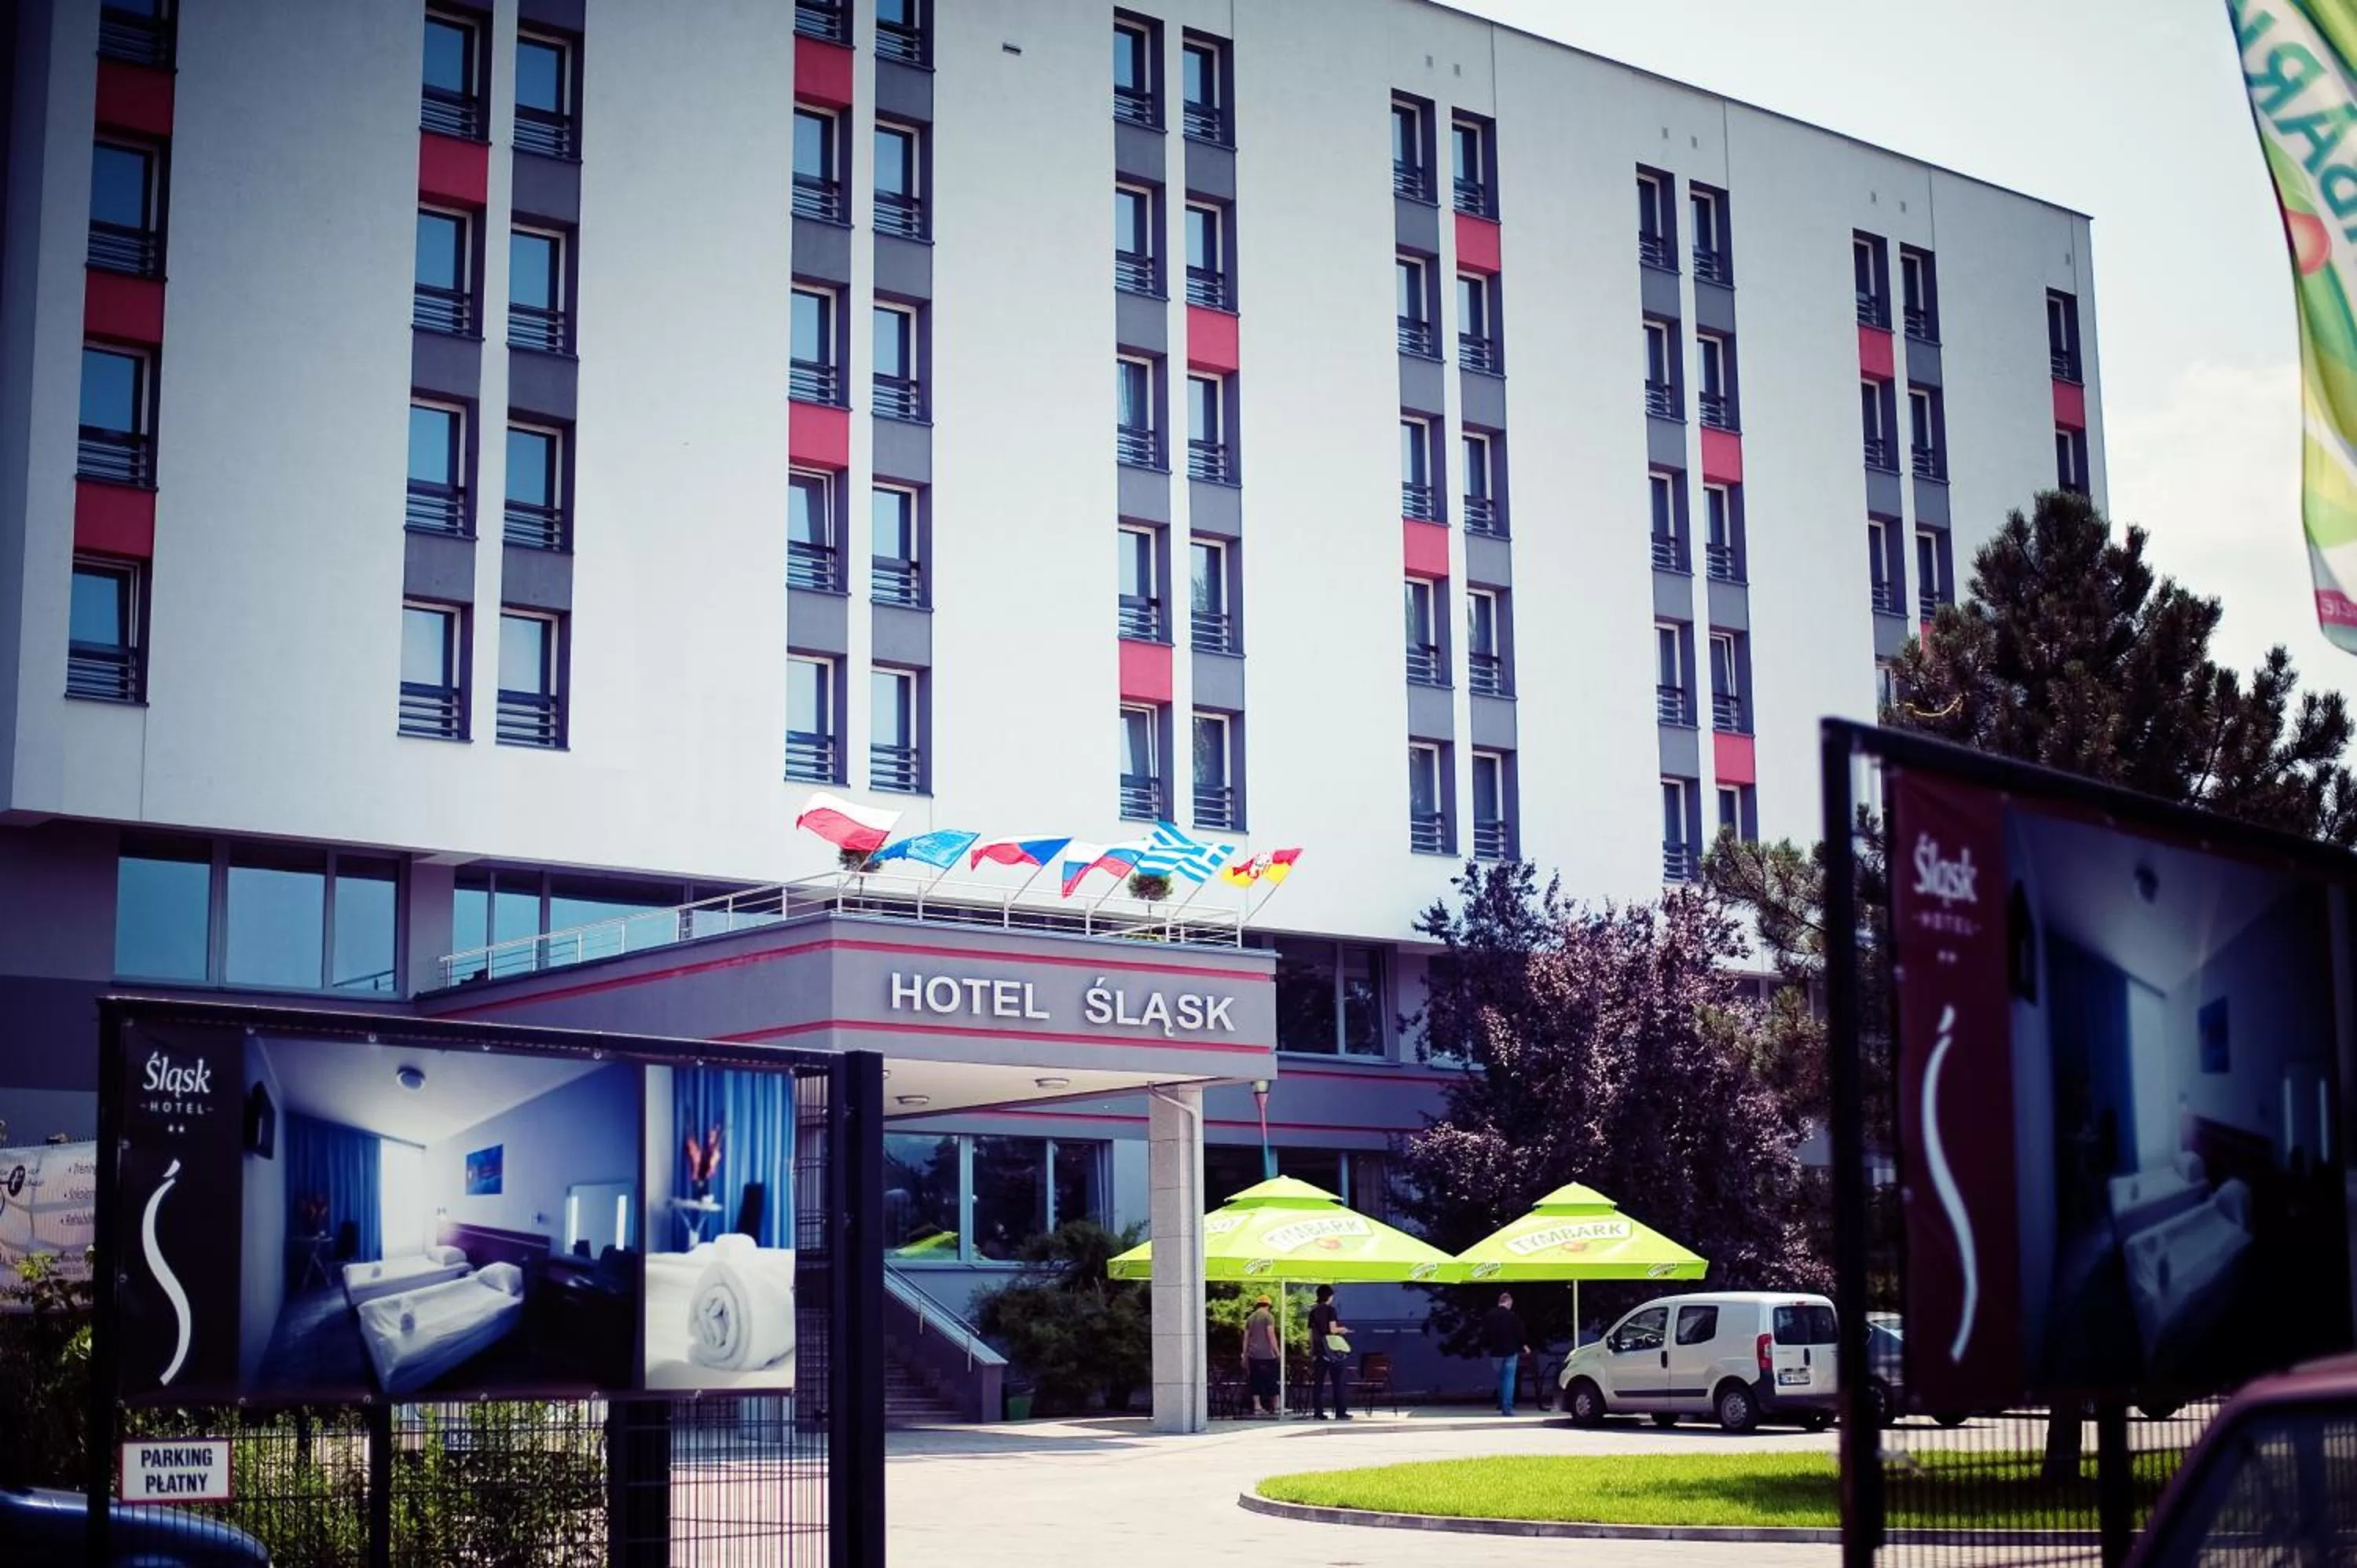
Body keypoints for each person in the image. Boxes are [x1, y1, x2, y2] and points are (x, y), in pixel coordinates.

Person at [1481, 1290, 1530, 1416]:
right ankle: (1507, 1408)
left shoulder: (1489, 1316)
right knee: (1509, 1380)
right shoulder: (1513, 1317)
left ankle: (1500, 1403)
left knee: (1501, 1378)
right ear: (1508, 1302)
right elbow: (1520, 1333)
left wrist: (1487, 1346)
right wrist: (1524, 1346)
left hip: (1495, 1352)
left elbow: (1484, 1334)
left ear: (1499, 1302)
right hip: (1510, 1352)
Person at [1307, 1284, 1352, 1420]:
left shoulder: (1313, 1311)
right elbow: (1332, 1329)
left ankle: (1318, 1412)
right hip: (1331, 1351)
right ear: (1329, 1296)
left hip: (1319, 1349)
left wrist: (1312, 1349)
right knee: (1337, 1381)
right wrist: (1342, 1330)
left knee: (1318, 1383)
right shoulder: (1330, 1310)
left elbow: (1310, 1333)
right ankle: (1340, 1412)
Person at [1242, 1294, 1281, 1417]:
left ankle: (1257, 1406)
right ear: (1268, 1305)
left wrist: (1245, 1355)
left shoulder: (1250, 1318)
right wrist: (1277, 1352)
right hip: (1267, 1355)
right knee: (1271, 1380)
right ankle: (1276, 1406)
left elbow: (1246, 1338)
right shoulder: (1268, 1317)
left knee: (1255, 1380)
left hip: (1253, 1355)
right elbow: (1271, 1335)